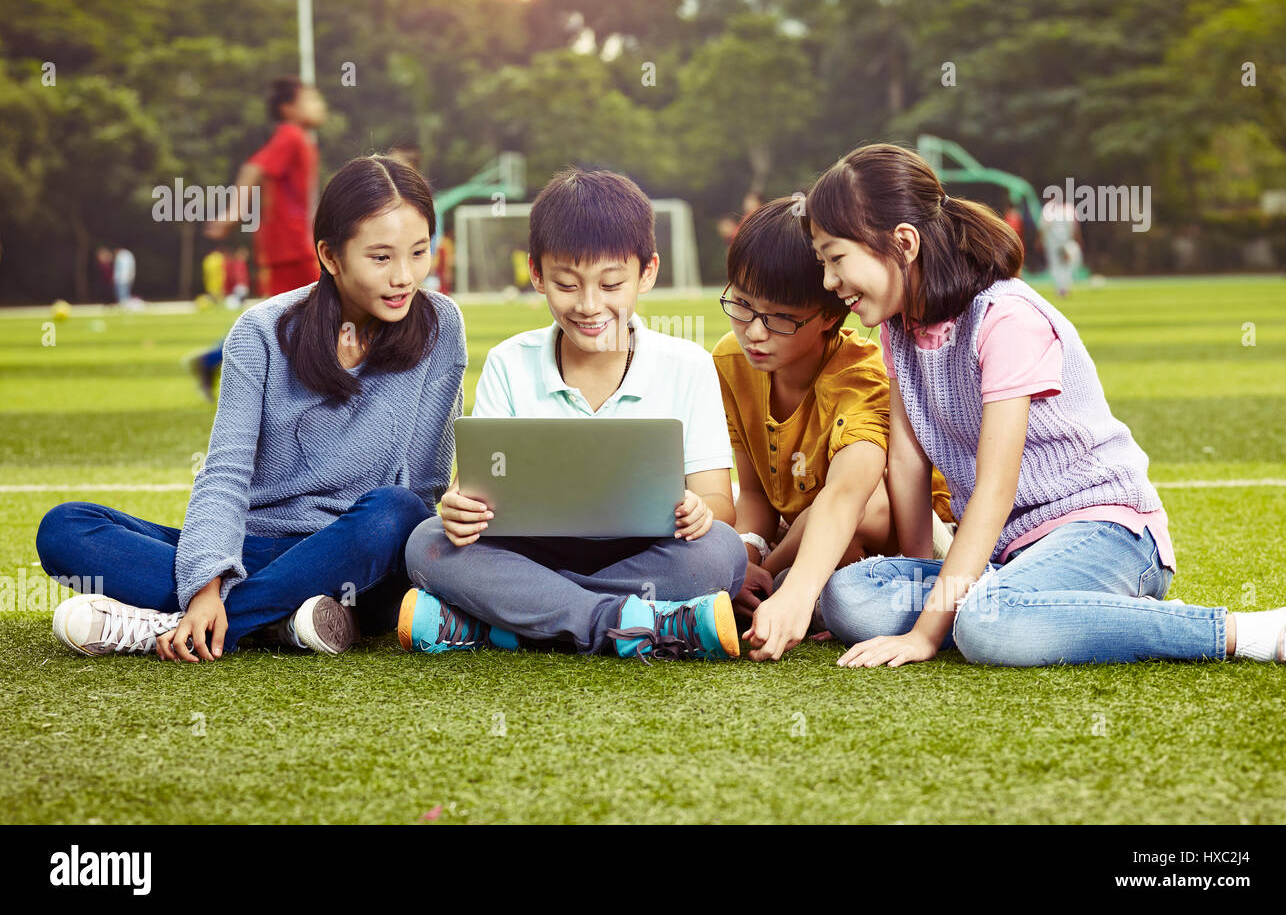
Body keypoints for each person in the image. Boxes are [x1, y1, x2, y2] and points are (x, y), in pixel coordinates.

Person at [802, 142, 1286, 670]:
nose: (831, 282)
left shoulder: (1004, 318)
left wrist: (925, 633)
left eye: (836, 258)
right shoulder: (899, 330)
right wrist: (921, 575)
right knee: (848, 596)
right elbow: (906, 461)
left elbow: (995, 491)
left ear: (903, 242)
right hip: (1005, 554)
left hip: (1108, 533)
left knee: (986, 625)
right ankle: (1058, 610)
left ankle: (1249, 630)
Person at [37, 156, 466, 660]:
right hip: (250, 547)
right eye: (381, 258)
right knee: (65, 527)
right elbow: (225, 471)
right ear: (330, 256)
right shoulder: (261, 332)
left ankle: (176, 628)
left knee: (399, 512)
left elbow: (423, 488)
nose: (405, 277)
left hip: (359, 558)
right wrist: (205, 583)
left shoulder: (441, 326)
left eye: (418, 253)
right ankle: (281, 620)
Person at [401, 168, 748, 662]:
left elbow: (719, 501)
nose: (589, 306)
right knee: (428, 543)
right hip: (532, 549)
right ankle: (624, 622)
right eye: (567, 284)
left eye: (611, 284)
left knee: (721, 552)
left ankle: (510, 618)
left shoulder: (687, 364)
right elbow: (474, 490)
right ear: (537, 275)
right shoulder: (509, 362)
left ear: (647, 272)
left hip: (643, 551)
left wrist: (700, 509)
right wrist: (459, 508)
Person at [712, 197, 953, 658]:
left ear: (830, 315)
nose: (754, 333)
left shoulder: (858, 378)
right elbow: (758, 494)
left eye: (780, 318)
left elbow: (851, 498)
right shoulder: (731, 360)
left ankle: (790, 591)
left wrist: (770, 579)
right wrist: (745, 557)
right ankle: (786, 588)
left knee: (841, 523)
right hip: (812, 538)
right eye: (741, 305)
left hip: (905, 538)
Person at [188, 76, 329, 398]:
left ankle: (214, 360)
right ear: (288, 108)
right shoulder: (291, 136)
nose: (319, 106)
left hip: (293, 242)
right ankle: (314, 385)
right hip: (290, 245)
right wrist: (232, 214)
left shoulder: (302, 140)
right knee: (317, 309)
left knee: (285, 316)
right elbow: (254, 168)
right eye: (311, 99)